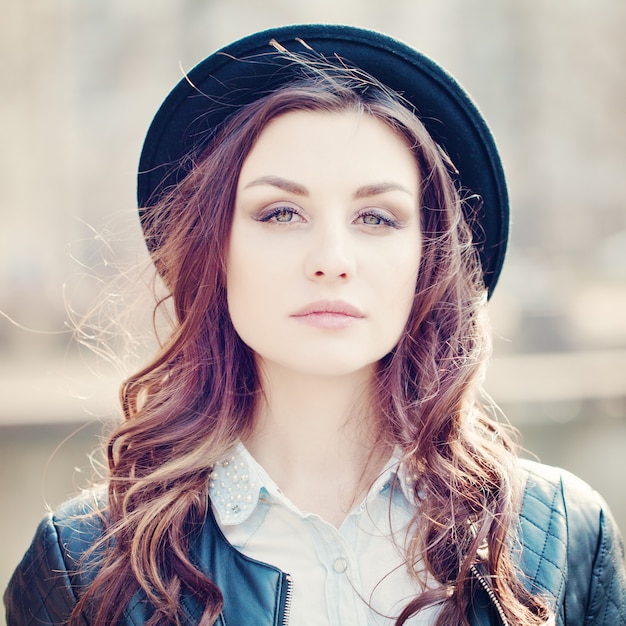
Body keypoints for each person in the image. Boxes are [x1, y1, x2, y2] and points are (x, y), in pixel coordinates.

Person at [4, 24, 625, 626]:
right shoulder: (83, 565)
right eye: (280, 213)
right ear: (213, 251)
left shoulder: (564, 534)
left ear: (427, 259)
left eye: (377, 218)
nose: (331, 260)